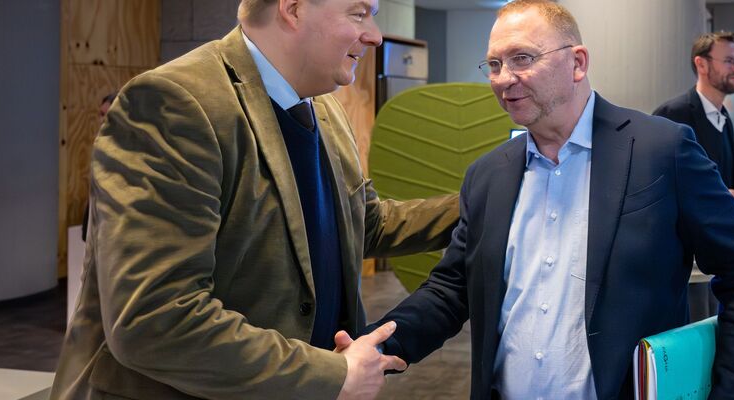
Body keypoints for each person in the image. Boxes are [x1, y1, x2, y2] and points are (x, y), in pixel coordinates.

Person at [361, 1, 734, 399]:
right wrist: (375, 346)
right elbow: (452, 289)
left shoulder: (661, 150)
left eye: (522, 58)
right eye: (494, 64)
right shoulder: (488, 176)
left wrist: (732, 391)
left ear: (577, 62)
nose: (504, 78)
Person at [50, 0, 459, 399]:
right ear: (294, 8)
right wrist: (330, 375)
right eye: (359, 13)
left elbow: (363, 225)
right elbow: (155, 319)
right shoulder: (175, 103)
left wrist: (486, 199)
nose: (373, 36)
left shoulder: (324, 109)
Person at [654, 32, 734, 210]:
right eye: (729, 61)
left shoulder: (723, 117)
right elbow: (655, 183)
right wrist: (716, 198)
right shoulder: (672, 115)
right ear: (701, 64)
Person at [81, 92, 117, 241]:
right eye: (101, 114)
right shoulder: (100, 147)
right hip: (96, 226)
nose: (102, 120)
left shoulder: (126, 153)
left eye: (107, 115)